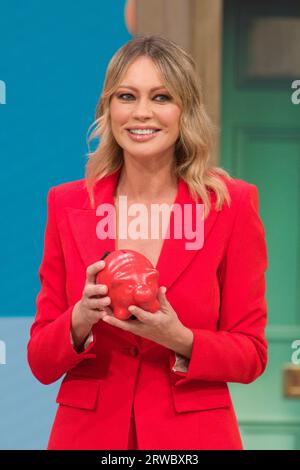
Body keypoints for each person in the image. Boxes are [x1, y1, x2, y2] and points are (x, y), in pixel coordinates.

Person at [27, 35, 268, 450]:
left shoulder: (231, 205)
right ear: (108, 108)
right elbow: (40, 361)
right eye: (127, 96)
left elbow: (252, 354)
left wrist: (179, 338)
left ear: (184, 110)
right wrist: (81, 316)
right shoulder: (66, 204)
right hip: (88, 437)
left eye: (160, 97)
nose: (142, 113)